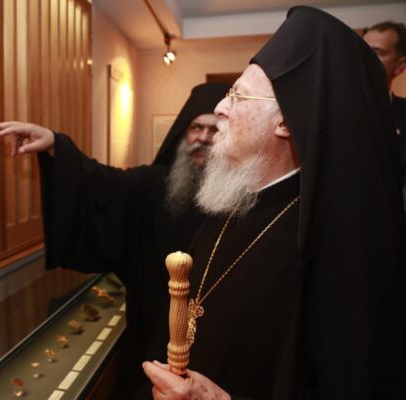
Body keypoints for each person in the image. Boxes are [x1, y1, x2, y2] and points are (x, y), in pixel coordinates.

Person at [142, 6, 406, 400]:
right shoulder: (237, 202)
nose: (220, 109)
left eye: (237, 95)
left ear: (285, 121)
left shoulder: (339, 250)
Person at [0, 83, 230, 397]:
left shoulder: (241, 194)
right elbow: (102, 184)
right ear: (183, 133)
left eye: (214, 129)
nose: (203, 137)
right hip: (154, 324)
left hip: (215, 333)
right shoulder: (152, 185)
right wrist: (56, 146)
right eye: (196, 127)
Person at [363, 21, 406, 202]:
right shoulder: (326, 113)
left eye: (377, 52)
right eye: (361, 50)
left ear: (399, 66)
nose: (363, 58)